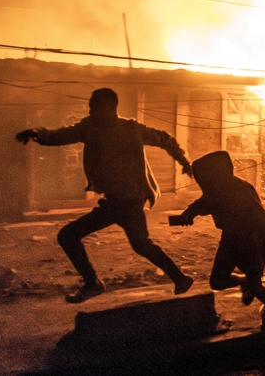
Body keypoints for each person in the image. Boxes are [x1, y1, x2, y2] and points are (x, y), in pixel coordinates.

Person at [15, 88, 195, 303]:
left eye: (94, 106)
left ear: (110, 108)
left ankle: (93, 284)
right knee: (140, 244)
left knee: (69, 236)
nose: (90, 110)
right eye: (90, 106)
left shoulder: (131, 129)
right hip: (117, 200)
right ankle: (180, 278)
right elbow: (59, 135)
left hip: (128, 200)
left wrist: (184, 162)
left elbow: (166, 140)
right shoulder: (89, 127)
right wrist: (37, 132)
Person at [169, 151, 265, 331]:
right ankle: (244, 282)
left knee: (256, 286)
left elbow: (260, 220)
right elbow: (203, 204)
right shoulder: (218, 190)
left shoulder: (239, 190)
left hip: (253, 241)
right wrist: (188, 214)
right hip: (231, 238)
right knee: (217, 281)